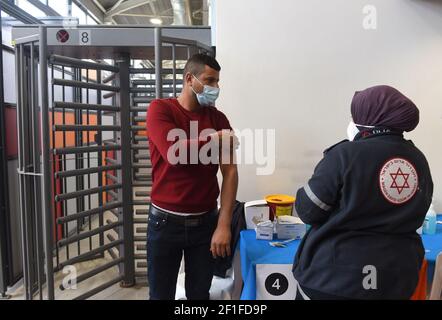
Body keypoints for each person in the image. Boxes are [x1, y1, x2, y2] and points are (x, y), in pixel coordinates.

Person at [292, 85, 433, 300]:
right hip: (395, 279)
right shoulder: (418, 159)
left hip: (334, 277)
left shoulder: (344, 155)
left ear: (369, 115)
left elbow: (309, 210)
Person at [146, 54, 238, 300]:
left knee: (199, 295)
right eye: (210, 80)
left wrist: (223, 224)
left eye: (217, 81)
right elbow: (173, 152)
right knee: (160, 296)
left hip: (205, 224)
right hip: (164, 224)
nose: (215, 88)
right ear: (190, 79)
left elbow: (229, 172)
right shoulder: (160, 110)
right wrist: (216, 139)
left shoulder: (218, 119)